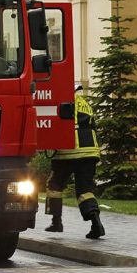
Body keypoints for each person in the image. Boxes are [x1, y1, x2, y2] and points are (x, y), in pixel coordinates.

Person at [45, 85, 105, 239]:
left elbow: (52, 125)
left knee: (55, 185)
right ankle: (96, 222)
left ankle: (56, 222)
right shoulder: (84, 103)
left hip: (69, 150)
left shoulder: (61, 103)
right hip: (90, 151)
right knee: (85, 189)